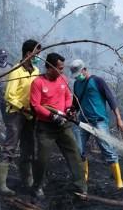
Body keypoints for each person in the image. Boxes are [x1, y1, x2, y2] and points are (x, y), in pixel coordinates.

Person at [30, 52, 87, 197]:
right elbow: (36, 106)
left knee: (74, 154)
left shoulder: (63, 79)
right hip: (45, 128)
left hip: (63, 126)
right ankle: (37, 187)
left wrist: (68, 109)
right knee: (41, 159)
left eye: (62, 68)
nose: (62, 71)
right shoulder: (38, 83)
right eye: (59, 68)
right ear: (49, 67)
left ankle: (80, 187)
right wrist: (52, 116)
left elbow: (68, 97)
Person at [69, 59, 123, 189]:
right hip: (83, 122)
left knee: (108, 150)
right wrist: (71, 111)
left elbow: (111, 99)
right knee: (79, 150)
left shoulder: (98, 81)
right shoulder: (77, 84)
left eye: (79, 73)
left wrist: (118, 118)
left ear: (84, 69)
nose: (78, 76)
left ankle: (119, 182)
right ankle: (84, 179)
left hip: (99, 122)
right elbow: (75, 103)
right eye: (76, 75)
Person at [0, 40, 42, 196]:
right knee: (10, 146)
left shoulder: (36, 70)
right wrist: (22, 108)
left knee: (28, 148)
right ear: (28, 54)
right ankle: (2, 185)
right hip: (15, 113)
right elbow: (9, 95)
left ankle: (27, 181)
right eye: (36, 54)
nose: (38, 57)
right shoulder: (15, 71)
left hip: (30, 114)